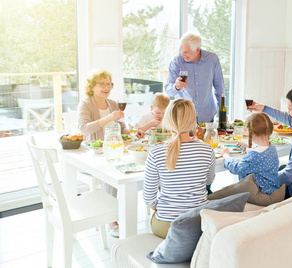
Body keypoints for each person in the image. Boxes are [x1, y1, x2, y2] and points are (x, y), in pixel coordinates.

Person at [143, 98, 216, 239]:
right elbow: (209, 181)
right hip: (198, 224)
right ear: (193, 121)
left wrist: (162, 209)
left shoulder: (156, 152)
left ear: (168, 120)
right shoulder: (207, 149)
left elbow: (148, 198)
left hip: (166, 226)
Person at [78, 69, 129, 237]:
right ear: (92, 87)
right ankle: (112, 219)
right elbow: (84, 128)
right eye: (102, 83)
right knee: (113, 169)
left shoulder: (113, 103)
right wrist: (107, 118)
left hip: (114, 149)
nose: (106, 87)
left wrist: (129, 134)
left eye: (109, 83)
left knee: (123, 167)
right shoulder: (86, 104)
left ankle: (120, 210)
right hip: (93, 153)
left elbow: (122, 126)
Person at [164, 32, 225, 123]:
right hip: (183, 119)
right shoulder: (177, 62)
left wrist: (222, 114)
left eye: (186, 52)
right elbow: (168, 90)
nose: (182, 54)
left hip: (207, 118)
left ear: (197, 50)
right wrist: (176, 86)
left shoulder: (212, 60)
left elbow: (220, 88)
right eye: (181, 50)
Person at [216, 112, 280, 198]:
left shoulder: (254, 156)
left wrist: (225, 155)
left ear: (252, 133)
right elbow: (259, 157)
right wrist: (249, 148)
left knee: (219, 195)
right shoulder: (272, 148)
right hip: (272, 191)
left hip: (261, 195)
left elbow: (236, 168)